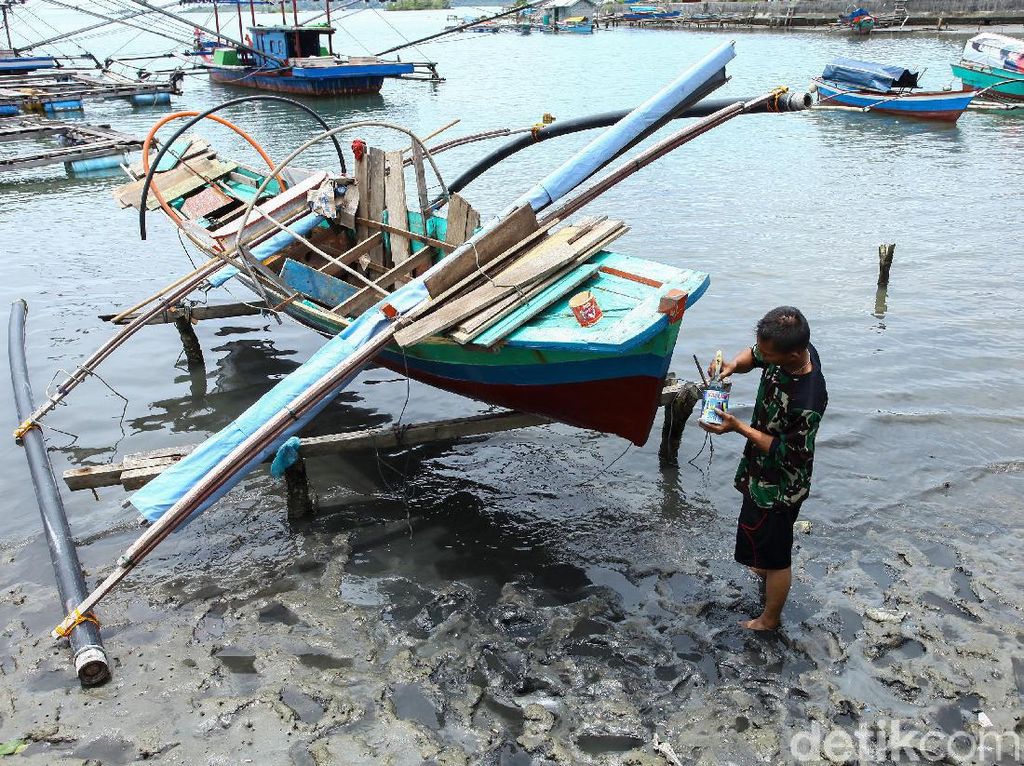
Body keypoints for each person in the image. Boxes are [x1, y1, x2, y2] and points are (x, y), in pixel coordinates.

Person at [699, 306, 828, 631]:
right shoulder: (789, 349)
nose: (762, 357)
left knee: (778, 556)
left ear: (794, 354)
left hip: (781, 486)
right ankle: (762, 570)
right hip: (760, 471)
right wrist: (731, 366)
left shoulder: (807, 400)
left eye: (769, 355)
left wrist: (737, 428)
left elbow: (790, 454)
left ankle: (769, 619)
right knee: (761, 542)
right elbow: (754, 355)